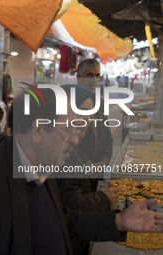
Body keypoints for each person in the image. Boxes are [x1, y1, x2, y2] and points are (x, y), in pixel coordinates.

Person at [0, 87, 163, 255]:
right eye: (69, 129)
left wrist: (117, 222)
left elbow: (60, 220)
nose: (76, 139)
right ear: (39, 129)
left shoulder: (40, 165)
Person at [56, 84, 119, 255]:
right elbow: (71, 206)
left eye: (89, 112)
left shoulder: (70, 147)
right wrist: (103, 199)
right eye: (81, 110)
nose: (88, 119)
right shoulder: (59, 154)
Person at [76, 58, 113, 190]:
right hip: (76, 172)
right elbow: (65, 138)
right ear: (78, 77)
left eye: (97, 75)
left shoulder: (100, 103)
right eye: (89, 75)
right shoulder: (69, 104)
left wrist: (104, 161)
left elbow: (108, 136)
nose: (94, 79)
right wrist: (87, 162)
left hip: (97, 172)